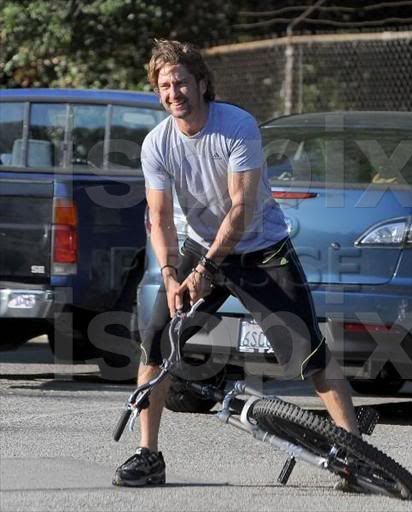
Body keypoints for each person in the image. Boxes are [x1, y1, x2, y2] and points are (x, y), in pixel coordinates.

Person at [113, 39, 360, 488]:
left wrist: (205, 269)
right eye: (165, 86)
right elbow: (161, 217)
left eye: (182, 83)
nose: (174, 93)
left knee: (308, 353)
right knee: (155, 342)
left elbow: (241, 209)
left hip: (262, 251)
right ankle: (147, 455)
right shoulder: (157, 144)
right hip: (198, 248)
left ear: (202, 84)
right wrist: (171, 274)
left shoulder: (236, 126)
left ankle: (352, 451)